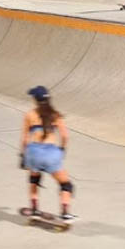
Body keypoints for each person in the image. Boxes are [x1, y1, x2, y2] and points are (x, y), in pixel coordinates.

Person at [19, 86, 75, 223]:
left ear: (35, 100)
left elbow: (25, 139)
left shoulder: (29, 115)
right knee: (66, 185)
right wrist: (61, 151)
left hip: (33, 152)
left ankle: (34, 209)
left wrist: (23, 156)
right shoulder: (56, 115)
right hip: (51, 153)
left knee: (34, 180)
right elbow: (65, 136)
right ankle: (65, 213)